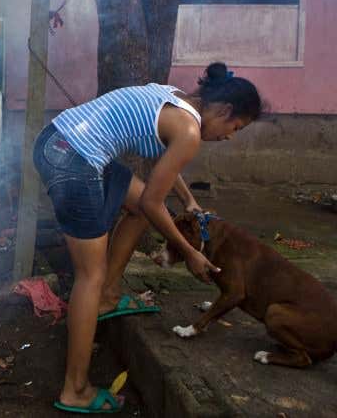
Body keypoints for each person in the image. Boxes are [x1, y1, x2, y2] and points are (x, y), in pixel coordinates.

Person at [32, 62, 262, 414]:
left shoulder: (174, 98)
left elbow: (164, 167)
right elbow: (155, 203)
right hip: (74, 160)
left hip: (56, 139)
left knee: (137, 207)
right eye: (236, 127)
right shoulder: (190, 130)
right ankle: (75, 388)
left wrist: (188, 200)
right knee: (89, 275)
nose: (230, 136)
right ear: (225, 111)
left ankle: (108, 296)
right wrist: (188, 252)